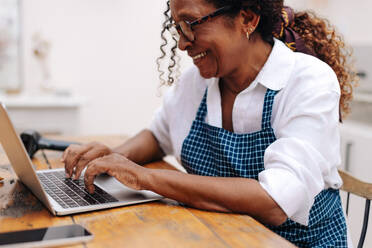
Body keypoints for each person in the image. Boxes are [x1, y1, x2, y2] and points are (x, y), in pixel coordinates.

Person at [62, 0, 357, 247]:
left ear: (247, 19)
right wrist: (114, 158)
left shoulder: (307, 81)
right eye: (177, 26)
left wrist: (144, 178)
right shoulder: (197, 82)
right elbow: (158, 134)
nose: (181, 43)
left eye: (191, 23)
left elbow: (275, 202)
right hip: (219, 237)